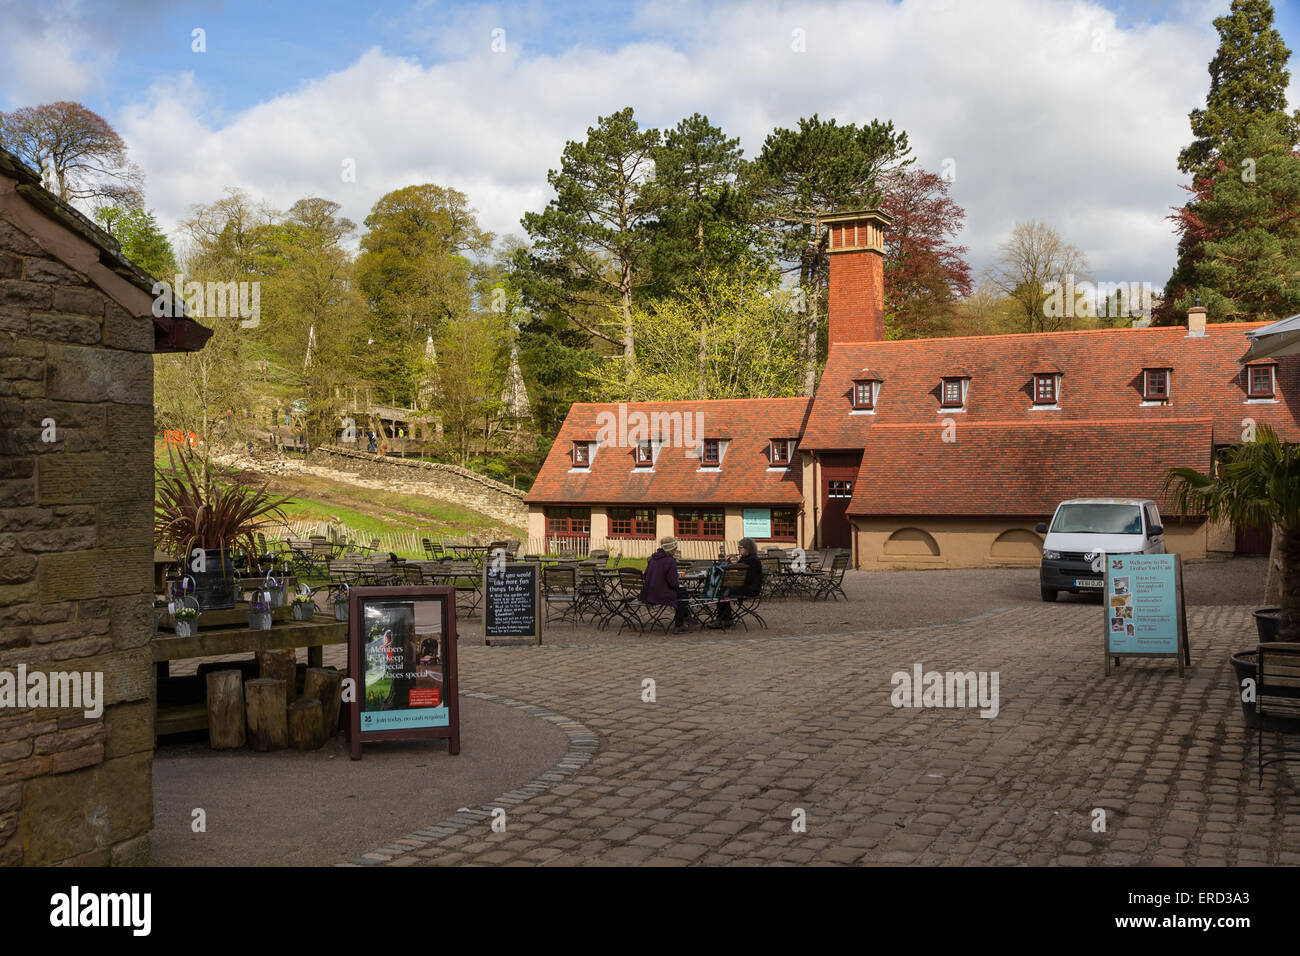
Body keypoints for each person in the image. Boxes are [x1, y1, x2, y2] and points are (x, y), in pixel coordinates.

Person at [639, 535, 690, 633]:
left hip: (648, 592)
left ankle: (686, 618)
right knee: (683, 594)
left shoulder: (653, 559)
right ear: (672, 549)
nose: (676, 550)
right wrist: (678, 583)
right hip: (660, 593)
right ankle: (680, 624)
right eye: (675, 548)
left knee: (681, 593)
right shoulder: (670, 561)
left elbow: (645, 576)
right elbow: (673, 583)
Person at [712, 538, 763, 628]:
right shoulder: (744, 558)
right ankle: (724, 617)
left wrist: (736, 573)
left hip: (751, 588)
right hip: (741, 586)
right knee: (722, 589)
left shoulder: (753, 560)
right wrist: (729, 563)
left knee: (724, 591)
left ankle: (725, 619)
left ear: (748, 548)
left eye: (740, 547)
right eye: (738, 547)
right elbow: (737, 570)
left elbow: (748, 577)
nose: (738, 549)